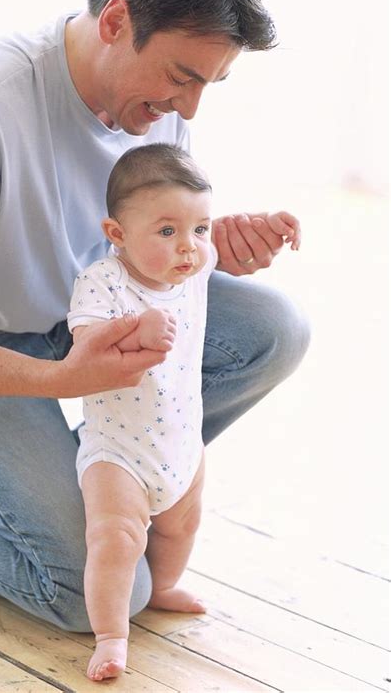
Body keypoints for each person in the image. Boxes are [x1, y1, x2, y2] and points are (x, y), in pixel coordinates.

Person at [0, 0, 310, 633]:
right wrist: (59, 379)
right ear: (114, 22)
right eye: (183, 77)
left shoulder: (157, 105)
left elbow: (133, 234)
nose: (190, 106)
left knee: (275, 330)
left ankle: (100, 480)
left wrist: (198, 245)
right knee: (91, 592)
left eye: (208, 85)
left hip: (77, 320)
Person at [67, 143, 301, 680]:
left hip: (180, 441)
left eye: (198, 229)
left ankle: (165, 585)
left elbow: (227, 238)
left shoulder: (193, 267)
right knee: (116, 539)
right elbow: (85, 346)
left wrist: (270, 225)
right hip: (118, 453)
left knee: (181, 524)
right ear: (117, 234)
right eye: (167, 231)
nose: (189, 247)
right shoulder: (104, 282)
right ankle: (110, 636)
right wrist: (131, 329)